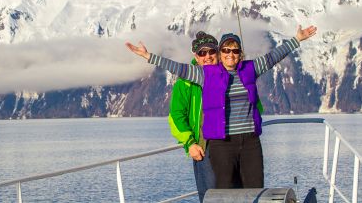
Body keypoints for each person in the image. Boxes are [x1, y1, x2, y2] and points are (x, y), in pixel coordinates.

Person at [125, 25, 317, 189]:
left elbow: (274, 56)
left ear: (239, 54)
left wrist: (297, 39)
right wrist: (148, 56)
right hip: (220, 144)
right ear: (220, 53)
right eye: (226, 50)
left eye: (234, 51)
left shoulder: (250, 68)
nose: (230, 55)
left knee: (254, 188)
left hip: (250, 142)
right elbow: (176, 68)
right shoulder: (205, 74)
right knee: (223, 192)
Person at [169, 31, 216, 202]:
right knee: (210, 197)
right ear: (196, 56)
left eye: (212, 51)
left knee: (237, 194)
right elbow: (176, 116)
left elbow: (254, 108)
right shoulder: (186, 82)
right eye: (202, 53)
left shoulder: (231, 76)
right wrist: (190, 143)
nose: (208, 57)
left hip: (233, 147)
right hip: (204, 147)